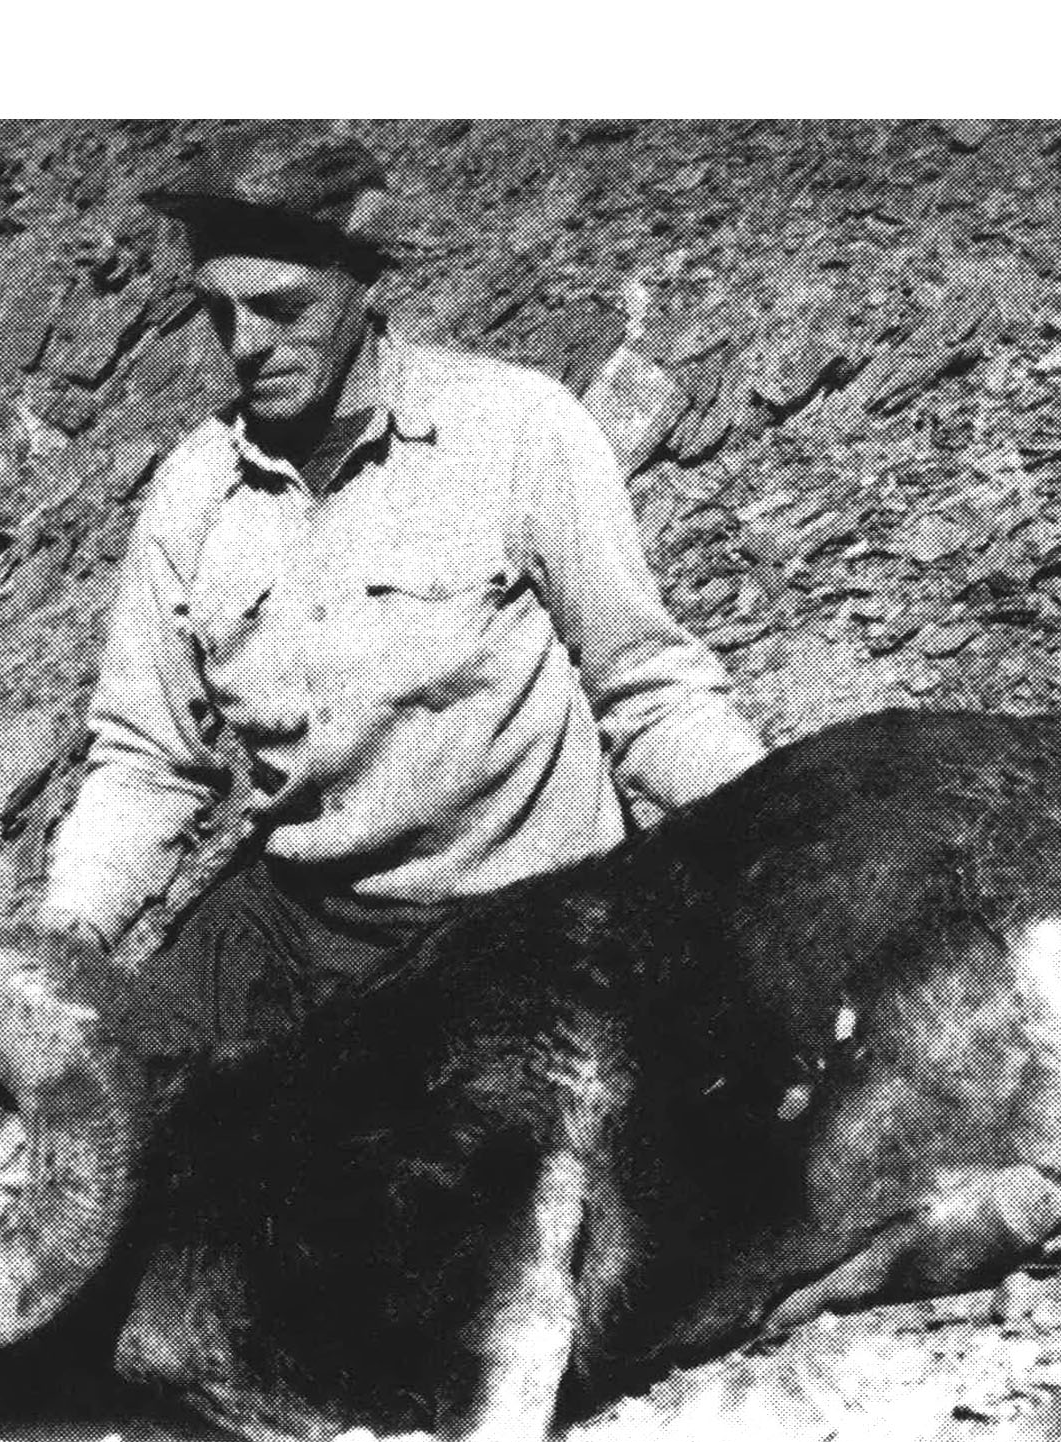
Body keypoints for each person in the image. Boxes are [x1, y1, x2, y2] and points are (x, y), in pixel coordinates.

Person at [38, 127, 766, 1075]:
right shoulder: (192, 494)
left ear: (363, 281)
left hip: (524, 911)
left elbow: (650, 689)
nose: (247, 345)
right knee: (111, 1102)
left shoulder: (517, 429)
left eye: (282, 308)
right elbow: (148, 761)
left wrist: (785, 821)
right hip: (302, 918)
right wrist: (68, 932)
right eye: (220, 314)